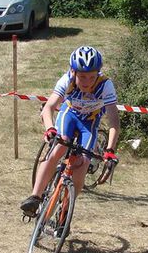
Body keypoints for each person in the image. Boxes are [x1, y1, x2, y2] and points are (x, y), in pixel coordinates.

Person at [19, 46, 120, 217]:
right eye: (82, 76)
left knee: (83, 164)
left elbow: (114, 121)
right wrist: (50, 129)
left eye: (92, 76)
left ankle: (65, 209)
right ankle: (35, 197)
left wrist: (110, 150)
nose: (87, 81)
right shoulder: (67, 80)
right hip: (70, 115)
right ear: (73, 72)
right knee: (59, 146)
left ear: (98, 74)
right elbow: (49, 108)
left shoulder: (105, 85)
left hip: (89, 122)